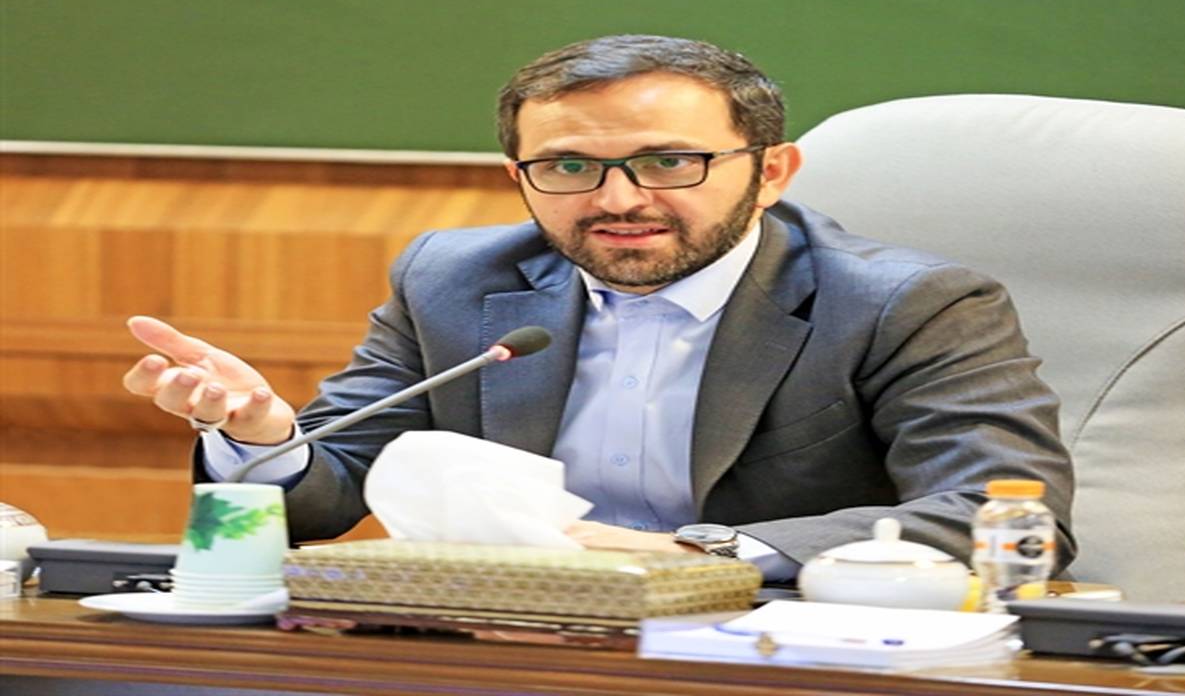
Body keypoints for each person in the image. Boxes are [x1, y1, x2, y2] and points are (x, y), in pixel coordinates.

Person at [123, 35, 1076, 581]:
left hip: (774, 651)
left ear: (772, 172)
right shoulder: (452, 281)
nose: (619, 199)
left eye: (669, 161)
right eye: (570, 166)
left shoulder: (905, 304)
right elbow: (324, 499)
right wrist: (262, 436)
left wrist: (693, 554)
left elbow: (997, 514)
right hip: (514, 645)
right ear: (519, 179)